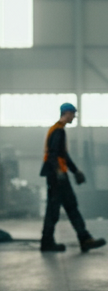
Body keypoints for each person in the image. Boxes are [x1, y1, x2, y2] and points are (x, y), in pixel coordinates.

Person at [39, 102, 105, 253]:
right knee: (57, 209)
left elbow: (64, 155)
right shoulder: (58, 131)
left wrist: (76, 171)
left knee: (68, 207)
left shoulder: (58, 129)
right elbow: (54, 153)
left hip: (57, 175)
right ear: (67, 113)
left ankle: (82, 239)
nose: (74, 117)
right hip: (57, 177)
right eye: (73, 114)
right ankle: (78, 239)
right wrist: (59, 172)